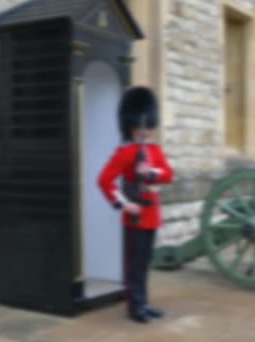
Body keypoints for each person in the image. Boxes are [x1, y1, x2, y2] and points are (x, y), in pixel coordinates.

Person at [97, 86, 174, 324]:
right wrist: (124, 204)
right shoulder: (126, 153)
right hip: (135, 215)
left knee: (144, 262)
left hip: (151, 214)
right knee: (134, 265)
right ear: (132, 127)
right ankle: (134, 306)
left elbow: (168, 174)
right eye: (143, 127)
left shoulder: (154, 150)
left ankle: (143, 302)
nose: (147, 131)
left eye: (149, 126)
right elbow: (104, 180)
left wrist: (149, 172)